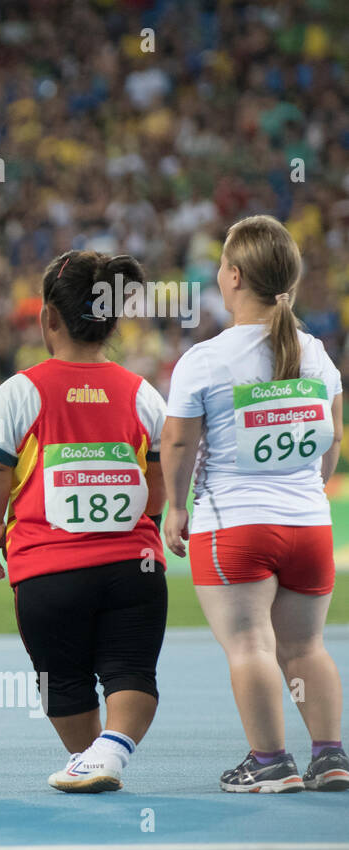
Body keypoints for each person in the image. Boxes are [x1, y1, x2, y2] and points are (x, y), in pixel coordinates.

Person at [162, 215, 347, 793]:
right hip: (311, 528)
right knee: (306, 646)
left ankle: (269, 761)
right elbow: (332, 440)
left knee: (250, 646)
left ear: (236, 275)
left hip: (235, 528)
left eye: (220, 266)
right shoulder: (315, 353)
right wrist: (308, 489)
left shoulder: (206, 359)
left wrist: (175, 506)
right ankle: (330, 756)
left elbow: (177, 441)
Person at [0, 250, 168, 793]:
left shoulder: (21, 390)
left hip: (46, 572)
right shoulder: (141, 392)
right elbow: (160, 473)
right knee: (133, 674)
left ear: (47, 319)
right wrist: (148, 516)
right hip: (136, 568)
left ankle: (94, 756)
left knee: (64, 684)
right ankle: (108, 753)